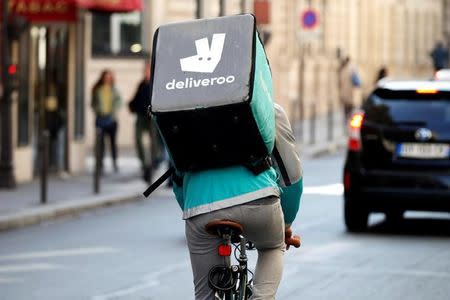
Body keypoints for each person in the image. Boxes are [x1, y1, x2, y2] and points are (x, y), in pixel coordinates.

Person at [172, 103, 303, 300]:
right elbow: (291, 176)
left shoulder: (183, 109)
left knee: (205, 294)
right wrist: (286, 224)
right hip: (260, 199)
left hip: (200, 206)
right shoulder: (268, 109)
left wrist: (195, 213)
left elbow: (178, 179)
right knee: (272, 247)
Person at [129, 63, 165, 182]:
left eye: (148, 71)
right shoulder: (142, 84)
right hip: (141, 116)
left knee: (155, 141)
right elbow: (136, 100)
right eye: (145, 71)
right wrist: (132, 106)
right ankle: (145, 164)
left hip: (152, 117)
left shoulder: (156, 84)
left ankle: (156, 161)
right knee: (139, 138)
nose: (146, 73)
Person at [91, 69, 122, 173]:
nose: (107, 79)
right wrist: (98, 111)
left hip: (111, 120)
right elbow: (93, 103)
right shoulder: (97, 89)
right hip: (100, 119)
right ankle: (100, 164)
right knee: (100, 144)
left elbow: (119, 102)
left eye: (109, 77)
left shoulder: (114, 90)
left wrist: (113, 112)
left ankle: (114, 162)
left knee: (113, 143)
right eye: (105, 77)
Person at [338, 56, 361, 121]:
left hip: (344, 92)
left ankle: (347, 118)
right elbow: (357, 82)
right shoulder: (352, 69)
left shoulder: (342, 69)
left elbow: (339, 82)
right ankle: (350, 119)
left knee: (346, 107)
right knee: (350, 107)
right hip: (350, 92)